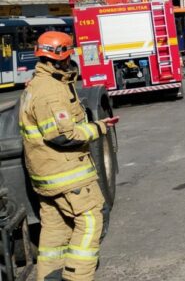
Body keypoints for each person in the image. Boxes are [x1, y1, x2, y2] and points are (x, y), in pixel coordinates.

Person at [19, 31, 118, 281]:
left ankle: (49, 275)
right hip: (66, 175)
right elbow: (63, 136)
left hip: (47, 176)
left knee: (56, 230)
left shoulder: (38, 84)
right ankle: (77, 277)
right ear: (61, 56)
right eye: (68, 54)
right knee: (91, 220)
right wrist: (100, 127)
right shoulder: (50, 91)